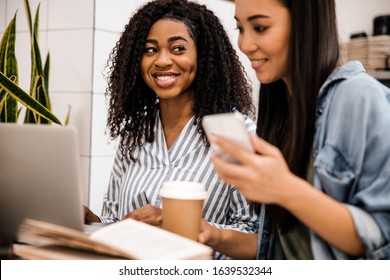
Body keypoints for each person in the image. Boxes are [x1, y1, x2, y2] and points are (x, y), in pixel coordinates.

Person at [206, 0, 390, 259]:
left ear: (306, 23)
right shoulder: (281, 106)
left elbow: (380, 238)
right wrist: (210, 234)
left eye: (260, 27)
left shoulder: (358, 96)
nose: (244, 45)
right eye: (241, 29)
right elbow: (285, 245)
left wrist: (284, 188)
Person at [83, 0, 259, 260]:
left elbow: (254, 237)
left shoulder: (237, 132)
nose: (162, 60)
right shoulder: (135, 133)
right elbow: (117, 220)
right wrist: (92, 221)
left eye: (178, 48)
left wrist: (184, 228)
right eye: (150, 50)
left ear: (204, 55)